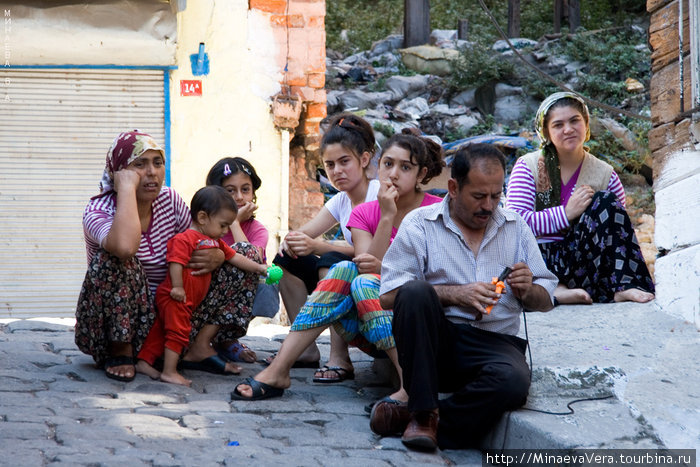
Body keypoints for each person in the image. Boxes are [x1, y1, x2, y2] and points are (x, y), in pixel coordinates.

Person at [231, 129, 445, 401]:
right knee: (347, 271)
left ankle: (409, 384)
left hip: (422, 322)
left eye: (405, 167)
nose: (393, 174)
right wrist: (386, 217)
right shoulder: (365, 212)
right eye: (388, 164)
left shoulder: (436, 212)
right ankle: (279, 369)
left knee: (357, 277)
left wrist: (325, 247)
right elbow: (369, 266)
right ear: (378, 167)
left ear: (421, 174)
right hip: (373, 325)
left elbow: (393, 276)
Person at [374, 143, 558, 451]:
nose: (488, 205)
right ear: (454, 187)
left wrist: (528, 289)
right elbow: (390, 295)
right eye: (478, 196)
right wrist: (455, 294)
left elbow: (545, 298)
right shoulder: (421, 224)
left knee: (513, 382)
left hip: (494, 343)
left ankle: (426, 421)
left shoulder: (515, 226)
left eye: (496, 196)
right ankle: (422, 415)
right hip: (436, 344)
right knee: (415, 292)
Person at [75, 131, 255, 382]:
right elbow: (125, 247)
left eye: (157, 163)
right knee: (114, 258)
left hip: (172, 314)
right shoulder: (98, 210)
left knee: (245, 255)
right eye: (140, 164)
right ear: (119, 173)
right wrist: (126, 189)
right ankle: (122, 351)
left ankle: (198, 346)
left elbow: (197, 239)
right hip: (121, 323)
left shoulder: (169, 200)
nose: (152, 172)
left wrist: (217, 254)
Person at [506, 92, 655, 305]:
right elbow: (515, 223)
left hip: (581, 263)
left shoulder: (605, 174)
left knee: (605, 201)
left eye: (574, 120)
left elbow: (618, 233)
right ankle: (553, 289)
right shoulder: (528, 166)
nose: (568, 129)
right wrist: (565, 214)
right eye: (558, 125)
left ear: (586, 124)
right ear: (546, 132)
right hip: (535, 262)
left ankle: (623, 286)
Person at [269, 112, 381, 379]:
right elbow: (306, 232)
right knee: (284, 260)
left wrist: (317, 246)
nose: (337, 171)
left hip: (373, 277)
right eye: (330, 165)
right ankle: (305, 349)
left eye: (345, 162)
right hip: (351, 269)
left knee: (330, 261)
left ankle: (339, 358)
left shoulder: (378, 194)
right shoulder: (340, 201)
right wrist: (294, 240)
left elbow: (371, 255)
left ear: (364, 160)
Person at [136, 185, 269, 386]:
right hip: (176, 296)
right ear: (203, 217)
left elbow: (236, 258)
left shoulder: (214, 242)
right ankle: (169, 371)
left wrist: (260, 268)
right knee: (177, 332)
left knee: (160, 330)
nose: (225, 231)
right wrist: (178, 287)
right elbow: (176, 262)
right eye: (223, 225)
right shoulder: (185, 238)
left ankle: (144, 362)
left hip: (189, 300)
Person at [205, 157, 271, 363]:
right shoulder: (204, 224)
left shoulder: (257, 230)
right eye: (230, 191)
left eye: (245, 189)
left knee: (249, 257)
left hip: (239, 298)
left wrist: (235, 223)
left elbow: (250, 256)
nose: (239, 197)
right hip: (204, 293)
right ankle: (204, 338)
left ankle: (226, 339)